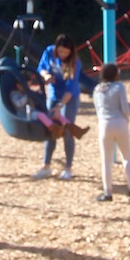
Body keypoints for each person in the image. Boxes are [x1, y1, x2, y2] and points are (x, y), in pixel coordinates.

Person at [31, 34, 91, 180]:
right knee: (51, 129)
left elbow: (70, 88)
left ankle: (68, 168)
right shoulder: (49, 52)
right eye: (60, 51)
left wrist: (59, 106)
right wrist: (46, 75)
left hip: (69, 98)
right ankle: (46, 166)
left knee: (67, 131)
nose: (63, 54)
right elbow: (41, 68)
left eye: (66, 52)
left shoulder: (75, 62)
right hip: (53, 94)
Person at [92, 63, 130, 202]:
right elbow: (125, 107)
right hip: (119, 122)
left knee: (106, 160)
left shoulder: (97, 89)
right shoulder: (119, 87)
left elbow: (97, 109)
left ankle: (107, 192)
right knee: (127, 156)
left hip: (104, 123)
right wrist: (127, 119)